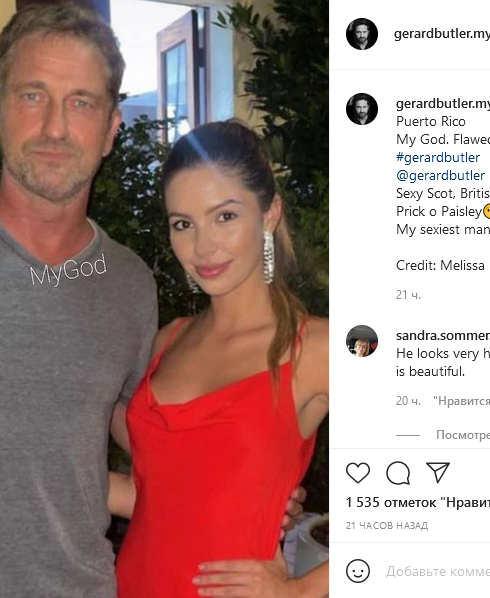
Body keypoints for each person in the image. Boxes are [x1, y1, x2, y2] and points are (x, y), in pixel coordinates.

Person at [0, 6, 303, 597]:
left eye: (82, 102)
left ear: (112, 127)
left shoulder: (128, 285)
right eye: (33, 96)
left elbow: (149, 456)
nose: (55, 128)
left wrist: (251, 487)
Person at [109, 121, 330, 598]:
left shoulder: (314, 348)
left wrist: (302, 590)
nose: (203, 247)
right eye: (183, 224)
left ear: (269, 213)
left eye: (224, 217)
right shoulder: (168, 341)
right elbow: (156, 497)